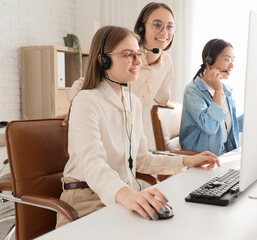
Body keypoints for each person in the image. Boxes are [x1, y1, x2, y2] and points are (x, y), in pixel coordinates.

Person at [56, 26, 220, 228]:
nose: (138, 61)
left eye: (138, 53)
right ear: (103, 60)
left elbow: (142, 158)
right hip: (86, 199)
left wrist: (188, 160)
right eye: (128, 54)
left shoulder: (132, 101)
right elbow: (92, 163)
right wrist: (127, 195)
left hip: (122, 192)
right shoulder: (87, 101)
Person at [60, 2, 176, 150]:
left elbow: (162, 97)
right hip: (104, 124)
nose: (165, 32)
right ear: (142, 27)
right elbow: (85, 82)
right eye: (157, 25)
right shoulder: (127, 54)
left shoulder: (167, 63)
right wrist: (74, 110)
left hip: (127, 128)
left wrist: (170, 106)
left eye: (170, 26)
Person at [179, 39, 243, 156]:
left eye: (233, 61)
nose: (232, 65)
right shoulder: (193, 91)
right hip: (201, 159)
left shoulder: (227, 91)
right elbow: (210, 126)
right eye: (227, 59)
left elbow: (229, 125)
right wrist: (218, 91)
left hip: (223, 156)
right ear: (209, 60)